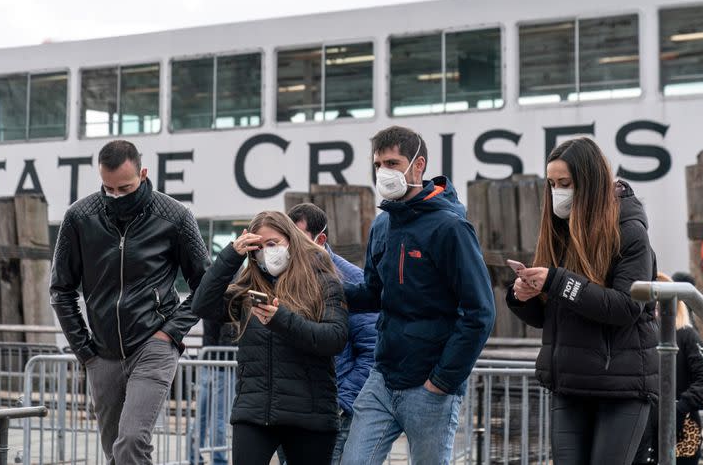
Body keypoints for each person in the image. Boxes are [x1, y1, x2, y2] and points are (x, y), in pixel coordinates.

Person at [341, 125, 495, 465]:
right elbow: (372, 293)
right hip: (382, 378)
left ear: (418, 165)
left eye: (393, 163)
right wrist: (327, 292)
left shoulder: (450, 228)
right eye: (378, 164)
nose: (384, 172)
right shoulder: (382, 226)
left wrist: (442, 381)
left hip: (429, 386)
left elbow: (480, 312)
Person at [50, 139, 210, 464]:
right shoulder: (80, 218)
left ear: (143, 173)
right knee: (114, 452)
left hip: (153, 344)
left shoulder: (175, 218)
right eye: (108, 189)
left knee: (132, 441)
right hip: (102, 354)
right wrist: (85, 352)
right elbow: (61, 290)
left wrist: (171, 332)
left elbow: (205, 284)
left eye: (125, 188)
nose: (116, 196)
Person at [506, 137, 658, 465]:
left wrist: (558, 281)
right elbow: (551, 316)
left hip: (622, 388)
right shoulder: (559, 232)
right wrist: (523, 296)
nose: (557, 191)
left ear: (589, 183)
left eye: (565, 183)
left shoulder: (630, 230)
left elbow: (626, 306)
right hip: (570, 384)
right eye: (551, 184)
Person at [190, 211, 349, 465]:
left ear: (291, 241)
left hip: (309, 414)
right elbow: (201, 305)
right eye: (258, 247)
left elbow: (334, 338)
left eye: (273, 243)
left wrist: (281, 320)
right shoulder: (247, 289)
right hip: (254, 412)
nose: (266, 252)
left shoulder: (323, 282)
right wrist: (231, 255)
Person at [287, 203, 378, 464]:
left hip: (331, 409)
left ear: (320, 239)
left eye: (297, 238)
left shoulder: (351, 281)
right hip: (291, 408)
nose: (290, 247)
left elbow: (372, 351)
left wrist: (341, 402)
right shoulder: (282, 276)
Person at [633, 273, 703, 465]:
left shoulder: (685, 334)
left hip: (680, 434)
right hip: (639, 433)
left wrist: (679, 408)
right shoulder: (632, 337)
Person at [191, 318, 235, 465]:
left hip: (207, 360)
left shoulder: (210, 297)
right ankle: (219, 460)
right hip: (222, 363)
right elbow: (227, 334)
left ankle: (194, 457)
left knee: (201, 416)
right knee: (219, 417)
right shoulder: (229, 299)